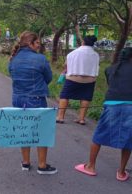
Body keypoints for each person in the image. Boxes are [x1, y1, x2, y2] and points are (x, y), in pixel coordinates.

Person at [75, 47, 132, 181]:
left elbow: (112, 86)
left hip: (111, 105)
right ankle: (121, 172)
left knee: (99, 135)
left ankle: (90, 166)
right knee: (129, 140)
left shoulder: (110, 69)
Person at [8, 31, 57, 175]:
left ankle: (25, 162)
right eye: (37, 43)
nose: (38, 46)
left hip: (18, 99)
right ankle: (42, 165)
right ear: (30, 43)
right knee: (41, 131)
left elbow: (13, 76)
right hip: (36, 99)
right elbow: (48, 78)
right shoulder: (40, 59)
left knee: (24, 130)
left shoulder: (13, 59)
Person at [56, 35, 99, 125]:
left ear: (83, 42)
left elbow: (66, 66)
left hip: (73, 78)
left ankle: (60, 117)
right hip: (89, 80)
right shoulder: (95, 55)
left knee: (64, 96)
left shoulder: (73, 53)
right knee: (85, 97)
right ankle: (81, 119)